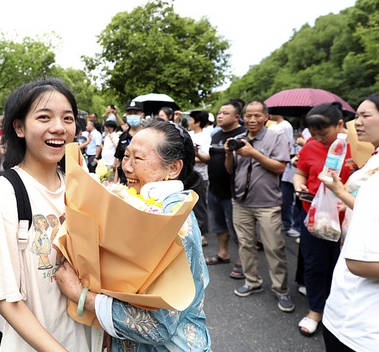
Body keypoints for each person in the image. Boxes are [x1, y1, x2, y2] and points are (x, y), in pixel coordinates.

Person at [56, 119, 211, 351]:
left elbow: (157, 327)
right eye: (126, 156)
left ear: (173, 168)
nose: (127, 167)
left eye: (138, 158)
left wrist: (80, 295)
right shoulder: (141, 207)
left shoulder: (173, 223)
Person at [0, 77, 90, 350]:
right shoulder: (5, 193)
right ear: (19, 127)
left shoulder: (80, 184)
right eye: (44, 117)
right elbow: (4, 298)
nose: (59, 128)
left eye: (68, 118)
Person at [320, 92, 379, 351]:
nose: (357, 122)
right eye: (357, 116)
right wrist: (341, 191)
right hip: (359, 314)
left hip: (368, 323)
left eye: (366, 115)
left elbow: (361, 262)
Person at [292, 102, 356, 337]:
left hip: (348, 219)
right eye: (314, 133)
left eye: (324, 132)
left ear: (340, 124)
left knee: (344, 266)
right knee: (315, 264)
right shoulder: (311, 145)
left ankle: (338, 311)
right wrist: (299, 186)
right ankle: (316, 310)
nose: (318, 138)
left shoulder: (358, 147)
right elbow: (300, 172)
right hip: (314, 218)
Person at [225, 101, 294, 312]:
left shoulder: (276, 137)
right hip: (241, 201)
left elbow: (280, 167)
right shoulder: (238, 139)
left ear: (266, 117)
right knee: (245, 245)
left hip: (268, 203)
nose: (252, 120)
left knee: (274, 248)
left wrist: (254, 153)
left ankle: (281, 290)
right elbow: (230, 170)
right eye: (248, 116)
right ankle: (252, 282)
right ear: (242, 118)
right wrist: (229, 153)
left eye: (257, 115)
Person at [197, 102, 245, 279]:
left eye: (225, 113)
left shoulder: (243, 135)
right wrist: (197, 154)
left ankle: (243, 260)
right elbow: (210, 158)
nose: (220, 116)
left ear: (236, 117)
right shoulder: (216, 134)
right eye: (219, 112)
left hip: (233, 191)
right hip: (215, 188)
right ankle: (223, 253)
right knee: (219, 225)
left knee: (237, 228)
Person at [269, 114, 297, 235]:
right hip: (273, 161)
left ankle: (287, 222)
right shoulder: (273, 125)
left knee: (285, 196)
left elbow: (287, 144)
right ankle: (284, 221)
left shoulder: (285, 126)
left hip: (283, 162)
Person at [188, 110, 211, 246]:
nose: (189, 122)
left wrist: (190, 158)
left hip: (201, 176)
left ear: (197, 122)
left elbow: (206, 157)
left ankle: (202, 234)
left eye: (191, 120)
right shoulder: (189, 135)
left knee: (200, 205)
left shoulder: (205, 137)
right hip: (187, 175)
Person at [113, 101, 144, 184]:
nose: (132, 115)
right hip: (124, 181)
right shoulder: (123, 137)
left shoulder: (147, 136)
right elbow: (118, 161)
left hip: (141, 181)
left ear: (142, 115)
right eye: (130, 113)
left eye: (135, 113)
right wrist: (115, 182)